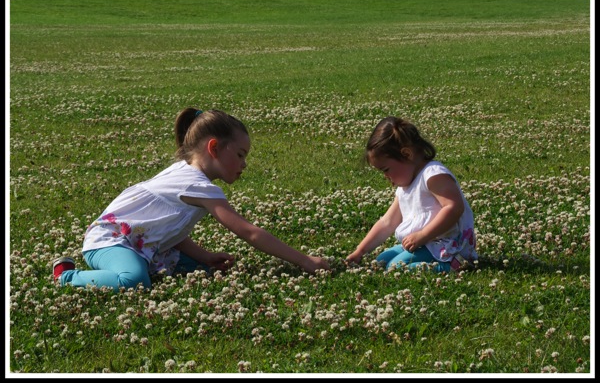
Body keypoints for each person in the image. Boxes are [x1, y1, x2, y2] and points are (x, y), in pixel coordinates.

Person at [53, 108, 330, 292]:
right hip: (108, 242)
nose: (244, 164)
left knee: (200, 270)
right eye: (241, 155)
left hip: (142, 244)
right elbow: (250, 233)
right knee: (135, 281)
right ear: (214, 148)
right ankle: (66, 276)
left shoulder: (188, 178)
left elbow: (166, 230)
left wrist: (205, 256)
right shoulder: (198, 186)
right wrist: (304, 261)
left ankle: (145, 266)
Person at [345, 116, 477, 273]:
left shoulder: (433, 174)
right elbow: (387, 222)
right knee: (380, 261)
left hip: (447, 246)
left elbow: (454, 207)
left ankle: (454, 265)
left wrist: (423, 235)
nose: (386, 176)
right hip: (423, 243)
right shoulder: (404, 186)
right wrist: (360, 250)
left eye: (386, 170)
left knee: (395, 267)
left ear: (407, 154)